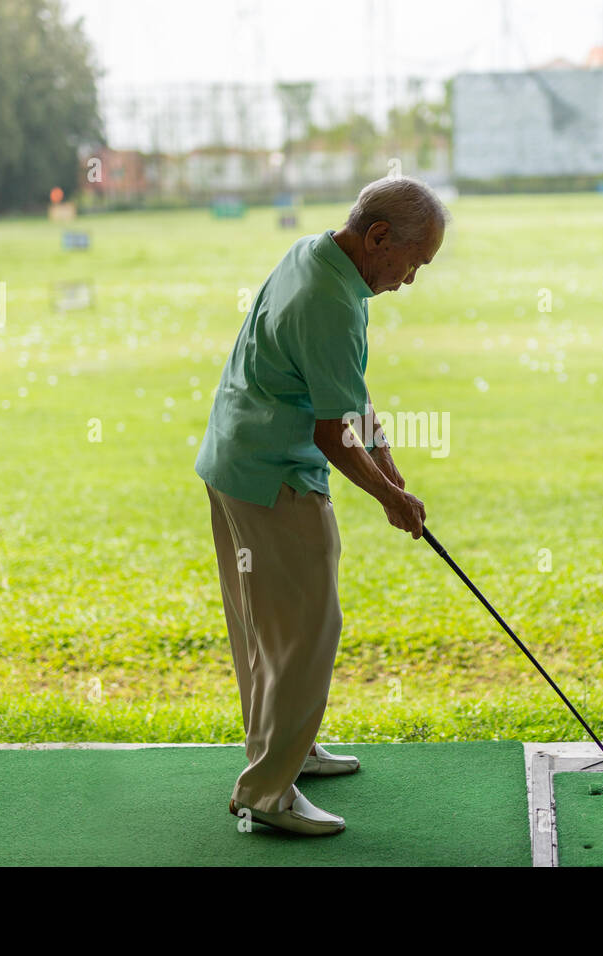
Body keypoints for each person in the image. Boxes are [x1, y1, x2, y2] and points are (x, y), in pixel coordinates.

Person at [195, 176, 448, 835]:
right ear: (379, 238)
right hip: (269, 476)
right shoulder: (329, 299)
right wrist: (389, 499)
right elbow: (332, 432)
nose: (411, 279)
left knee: (268, 629)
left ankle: (287, 752)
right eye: (414, 263)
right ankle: (266, 793)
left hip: (234, 459)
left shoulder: (321, 257)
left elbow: (349, 398)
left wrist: (394, 474)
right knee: (308, 630)